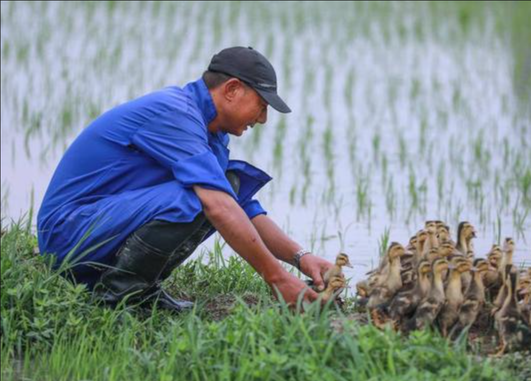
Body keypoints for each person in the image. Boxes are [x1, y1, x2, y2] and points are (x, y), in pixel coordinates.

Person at [37, 46, 334, 311]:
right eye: (262, 104)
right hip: (69, 234)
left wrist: (300, 257)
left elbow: (242, 208)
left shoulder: (209, 131)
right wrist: (277, 279)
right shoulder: (174, 113)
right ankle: (119, 295)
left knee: (227, 187)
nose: (263, 118)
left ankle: (139, 288)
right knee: (204, 198)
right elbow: (219, 206)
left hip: (95, 228)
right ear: (232, 89)